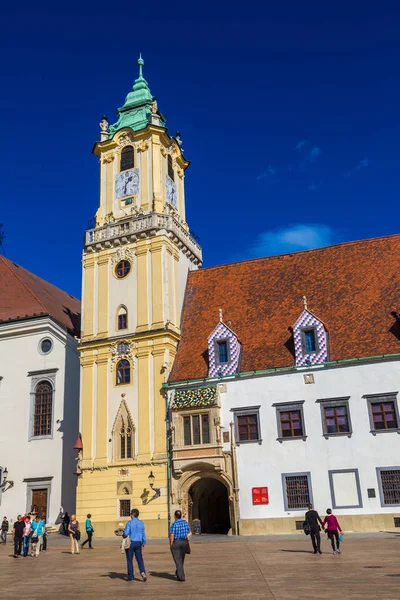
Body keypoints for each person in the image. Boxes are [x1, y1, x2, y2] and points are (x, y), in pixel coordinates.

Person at [122, 508, 147, 582]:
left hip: (131, 543)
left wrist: (123, 534)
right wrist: (143, 543)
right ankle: (143, 572)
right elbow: (143, 534)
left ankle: (131, 577)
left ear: (132, 515)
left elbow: (126, 533)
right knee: (139, 559)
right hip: (139, 542)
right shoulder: (141, 523)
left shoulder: (129, 523)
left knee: (130, 560)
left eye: (130, 514)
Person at [169, 510, 191, 582]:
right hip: (184, 542)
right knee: (181, 558)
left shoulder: (174, 524)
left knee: (178, 560)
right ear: (180, 516)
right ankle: (178, 571)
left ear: (175, 516)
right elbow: (188, 531)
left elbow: (172, 535)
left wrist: (171, 544)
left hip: (177, 542)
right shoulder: (185, 523)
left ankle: (181, 577)